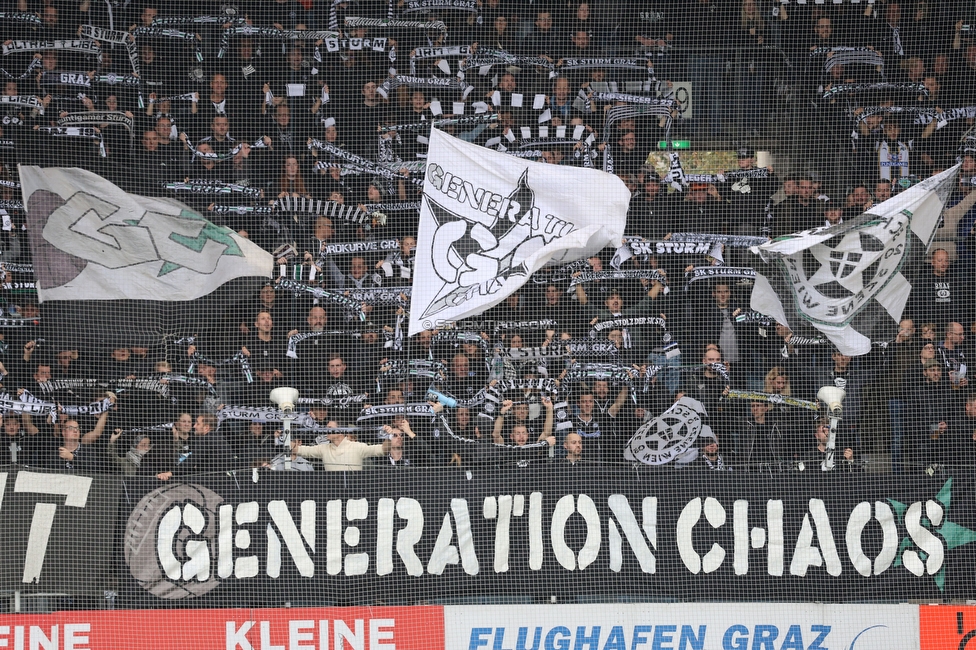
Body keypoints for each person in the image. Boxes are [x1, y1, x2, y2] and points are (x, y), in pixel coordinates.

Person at [290, 420, 390, 471]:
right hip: (333, 495)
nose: (326, 430)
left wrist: (388, 436)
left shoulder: (356, 447)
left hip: (354, 495)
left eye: (329, 428)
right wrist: (283, 436)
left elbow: (383, 450)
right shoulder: (323, 449)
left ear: (341, 431)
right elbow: (296, 450)